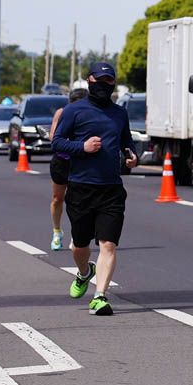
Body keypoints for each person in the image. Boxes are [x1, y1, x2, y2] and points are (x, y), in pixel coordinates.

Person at [52, 62, 136, 316]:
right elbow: (57, 143)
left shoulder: (120, 113)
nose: (103, 84)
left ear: (113, 84)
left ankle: (100, 297)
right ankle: (84, 272)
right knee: (79, 245)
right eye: (98, 80)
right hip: (80, 187)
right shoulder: (74, 111)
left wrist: (130, 154)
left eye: (108, 81)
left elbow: (126, 140)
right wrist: (82, 147)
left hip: (111, 189)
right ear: (88, 81)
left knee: (108, 244)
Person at [48, 87, 89, 250]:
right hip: (61, 161)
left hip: (80, 162)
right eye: (74, 103)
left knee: (77, 201)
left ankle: (76, 235)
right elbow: (53, 137)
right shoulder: (61, 113)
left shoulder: (89, 115)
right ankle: (57, 232)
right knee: (58, 199)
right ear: (69, 103)